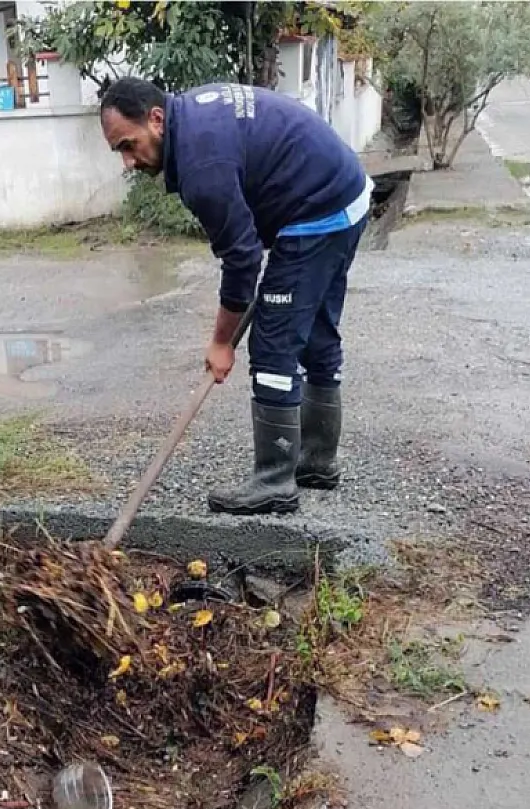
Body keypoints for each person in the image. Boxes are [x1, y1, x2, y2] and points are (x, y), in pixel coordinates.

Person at [99, 76, 372, 516]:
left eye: (128, 146)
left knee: (274, 342)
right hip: (344, 193)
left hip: (318, 210)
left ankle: (275, 481)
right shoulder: (191, 117)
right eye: (121, 152)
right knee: (317, 330)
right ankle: (317, 462)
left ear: (155, 119)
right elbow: (247, 230)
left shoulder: (200, 166)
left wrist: (221, 342)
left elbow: (243, 260)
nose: (129, 162)